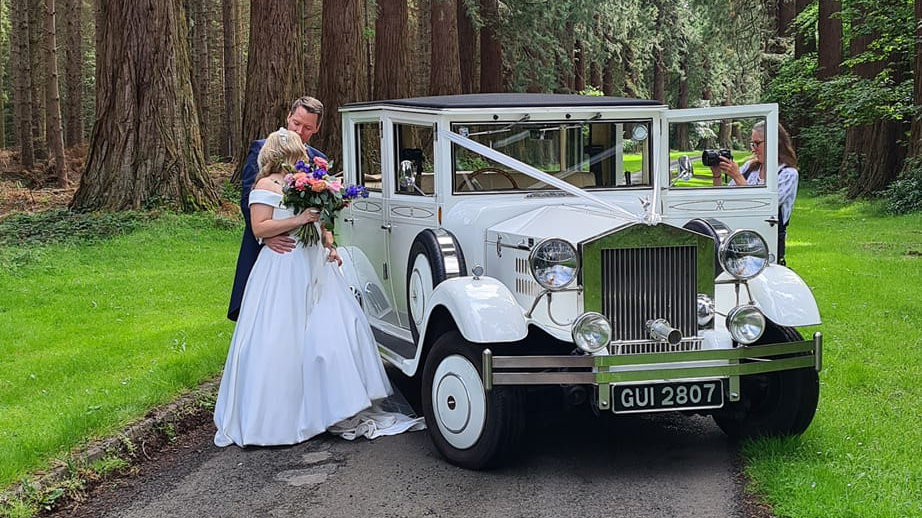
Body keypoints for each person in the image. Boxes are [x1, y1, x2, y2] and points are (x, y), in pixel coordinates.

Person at [213, 129, 424, 447]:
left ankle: (337, 406)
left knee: (333, 330)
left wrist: (329, 242)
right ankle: (285, 414)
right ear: (280, 155)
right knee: (282, 334)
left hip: (316, 263)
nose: (302, 157)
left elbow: (319, 220)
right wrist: (297, 221)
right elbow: (260, 226)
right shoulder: (264, 185)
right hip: (283, 267)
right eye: (296, 152)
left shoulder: (302, 182)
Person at [227, 97, 330, 322]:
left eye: (308, 127)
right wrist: (266, 236)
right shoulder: (263, 148)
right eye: (296, 123)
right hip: (271, 243)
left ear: (317, 128)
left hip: (308, 246)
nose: (300, 131)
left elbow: (323, 206)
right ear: (288, 118)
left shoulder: (318, 160)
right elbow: (249, 199)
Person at [709, 121, 799, 265]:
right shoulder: (749, 168)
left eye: (757, 144)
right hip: (737, 239)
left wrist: (738, 178)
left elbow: (764, 206)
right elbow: (722, 202)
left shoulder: (787, 174)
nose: (753, 149)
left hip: (766, 244)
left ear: (774, 143)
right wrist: (717, 176)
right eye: (752, 144)